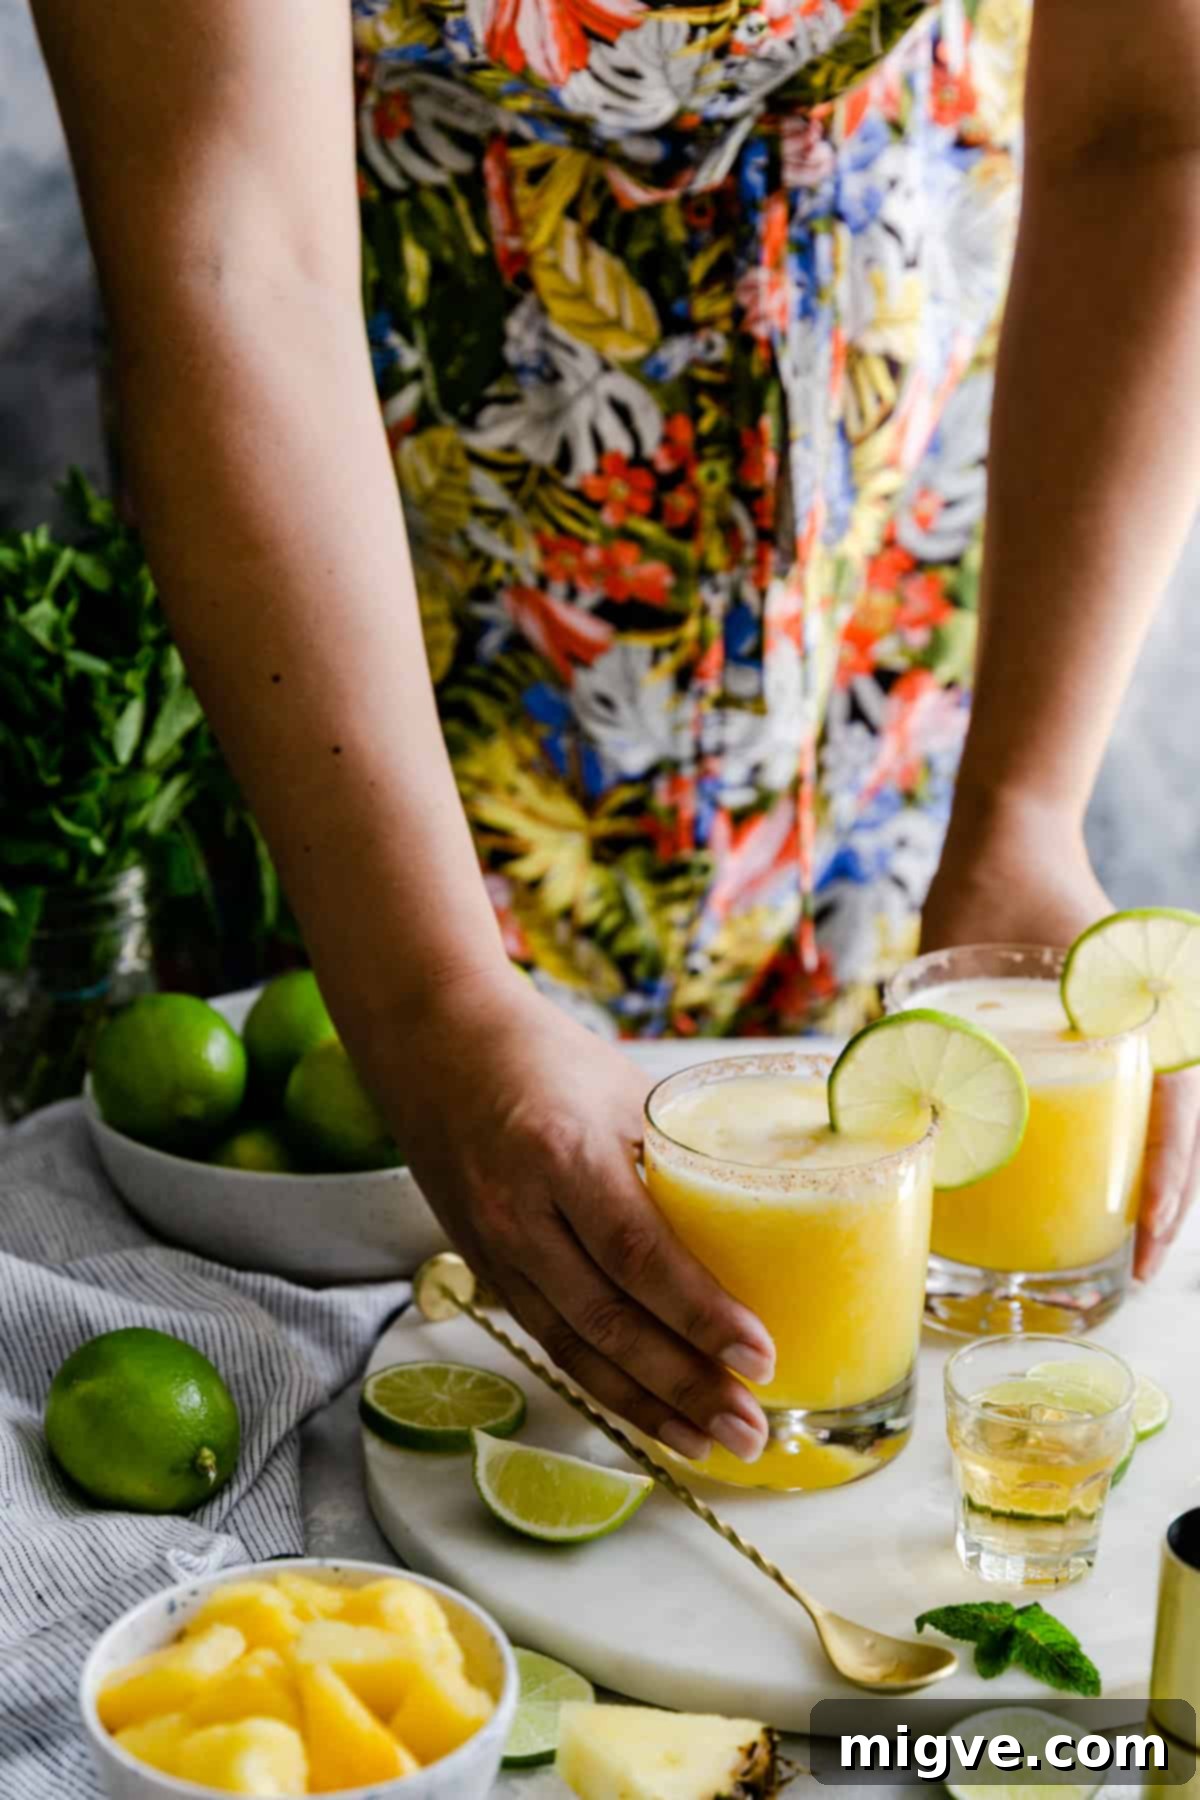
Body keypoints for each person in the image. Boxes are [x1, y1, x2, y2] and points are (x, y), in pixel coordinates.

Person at [31, 0, 1200, 1469]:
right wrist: (433, 1005)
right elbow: (231, 256)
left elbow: (1150, 130)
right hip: (376, 688)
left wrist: (1025, 811)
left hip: (891, 628)